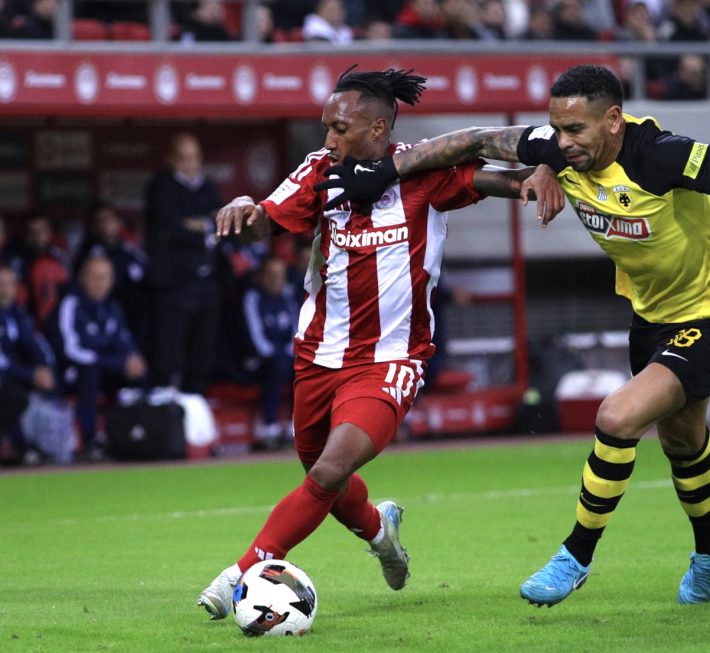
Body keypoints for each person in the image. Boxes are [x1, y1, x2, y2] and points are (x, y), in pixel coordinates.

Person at [319, 63, 710, 606]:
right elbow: (473, 141)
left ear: (614, 120)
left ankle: (575, 556)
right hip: (651, 319)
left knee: (618, 417)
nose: (563, 141)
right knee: (682, 441)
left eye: (576, 129)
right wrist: (384, 172)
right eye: (557, 128)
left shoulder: (660, 155)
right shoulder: (557, 149)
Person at [196, 67, 560, 621]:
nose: (328, 139)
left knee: (327, 472)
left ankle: (241, 575)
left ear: (377, 130)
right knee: (323, 474)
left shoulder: (425, 172)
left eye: (340, 129)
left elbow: (502, 179)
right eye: (326, 126)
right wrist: (244, 209)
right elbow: (265, 221)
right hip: (318, 356)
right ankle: (379, 531)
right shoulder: (320, 170)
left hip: (392, 359)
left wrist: (541, 175)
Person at [143, 132, 223, 394]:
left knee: (203, 347)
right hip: (173, 282)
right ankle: (163, 399)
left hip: (205, 281)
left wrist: (196, 224)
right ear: (171, 159)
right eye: (183, 158)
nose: (189, 164)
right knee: (167, 345)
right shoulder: (160, 186)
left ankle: (195, 398)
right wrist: (203, 227)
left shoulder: (208, 186)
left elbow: (221, 222)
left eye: (194, 157)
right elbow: (170, 228)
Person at [51, 255, 147, 461]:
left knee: (140, 375)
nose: (100, 282)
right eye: (95, 276)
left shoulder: (113, 307)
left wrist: (133, 358)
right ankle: (90, 442)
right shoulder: (71, 304)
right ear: (82, 278)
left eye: (105, 277)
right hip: (73, 372)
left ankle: (136, 437)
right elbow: (70, 350)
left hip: (107, 368)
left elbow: (124, 341)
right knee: (89, 375)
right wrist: (114, 362)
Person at [0, 264, 57, 465]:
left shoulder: (19, 313)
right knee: (12, 395)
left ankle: (41, 447)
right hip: (7, 377)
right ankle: (22, 448)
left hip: (16, 375)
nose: (4, 289)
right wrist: (31, 374)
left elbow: (37, 345)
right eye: (0, 284)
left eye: (9, 284)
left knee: (55, 386)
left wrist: (45, 369)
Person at [240, 256, 299, 448]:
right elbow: (255, 337)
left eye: (280, 275)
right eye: (271, 274)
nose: (275, 279)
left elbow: (297, 332)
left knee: (305, 367)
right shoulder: (252, 298)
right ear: (261, 276)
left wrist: (289, 353)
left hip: (284, 357)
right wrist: (278, 355)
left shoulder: (288, 298)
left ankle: (298, 426)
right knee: (277, 365)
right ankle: (270, 428)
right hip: (255, 360)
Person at [72, 201, 149, 349]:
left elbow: (144, 277)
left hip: (133, 314)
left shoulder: (129, 249)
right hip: (101, 313)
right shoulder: (86, 252)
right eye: (99, 221)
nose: (105, 225)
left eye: (109, 219)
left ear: (117, 222)